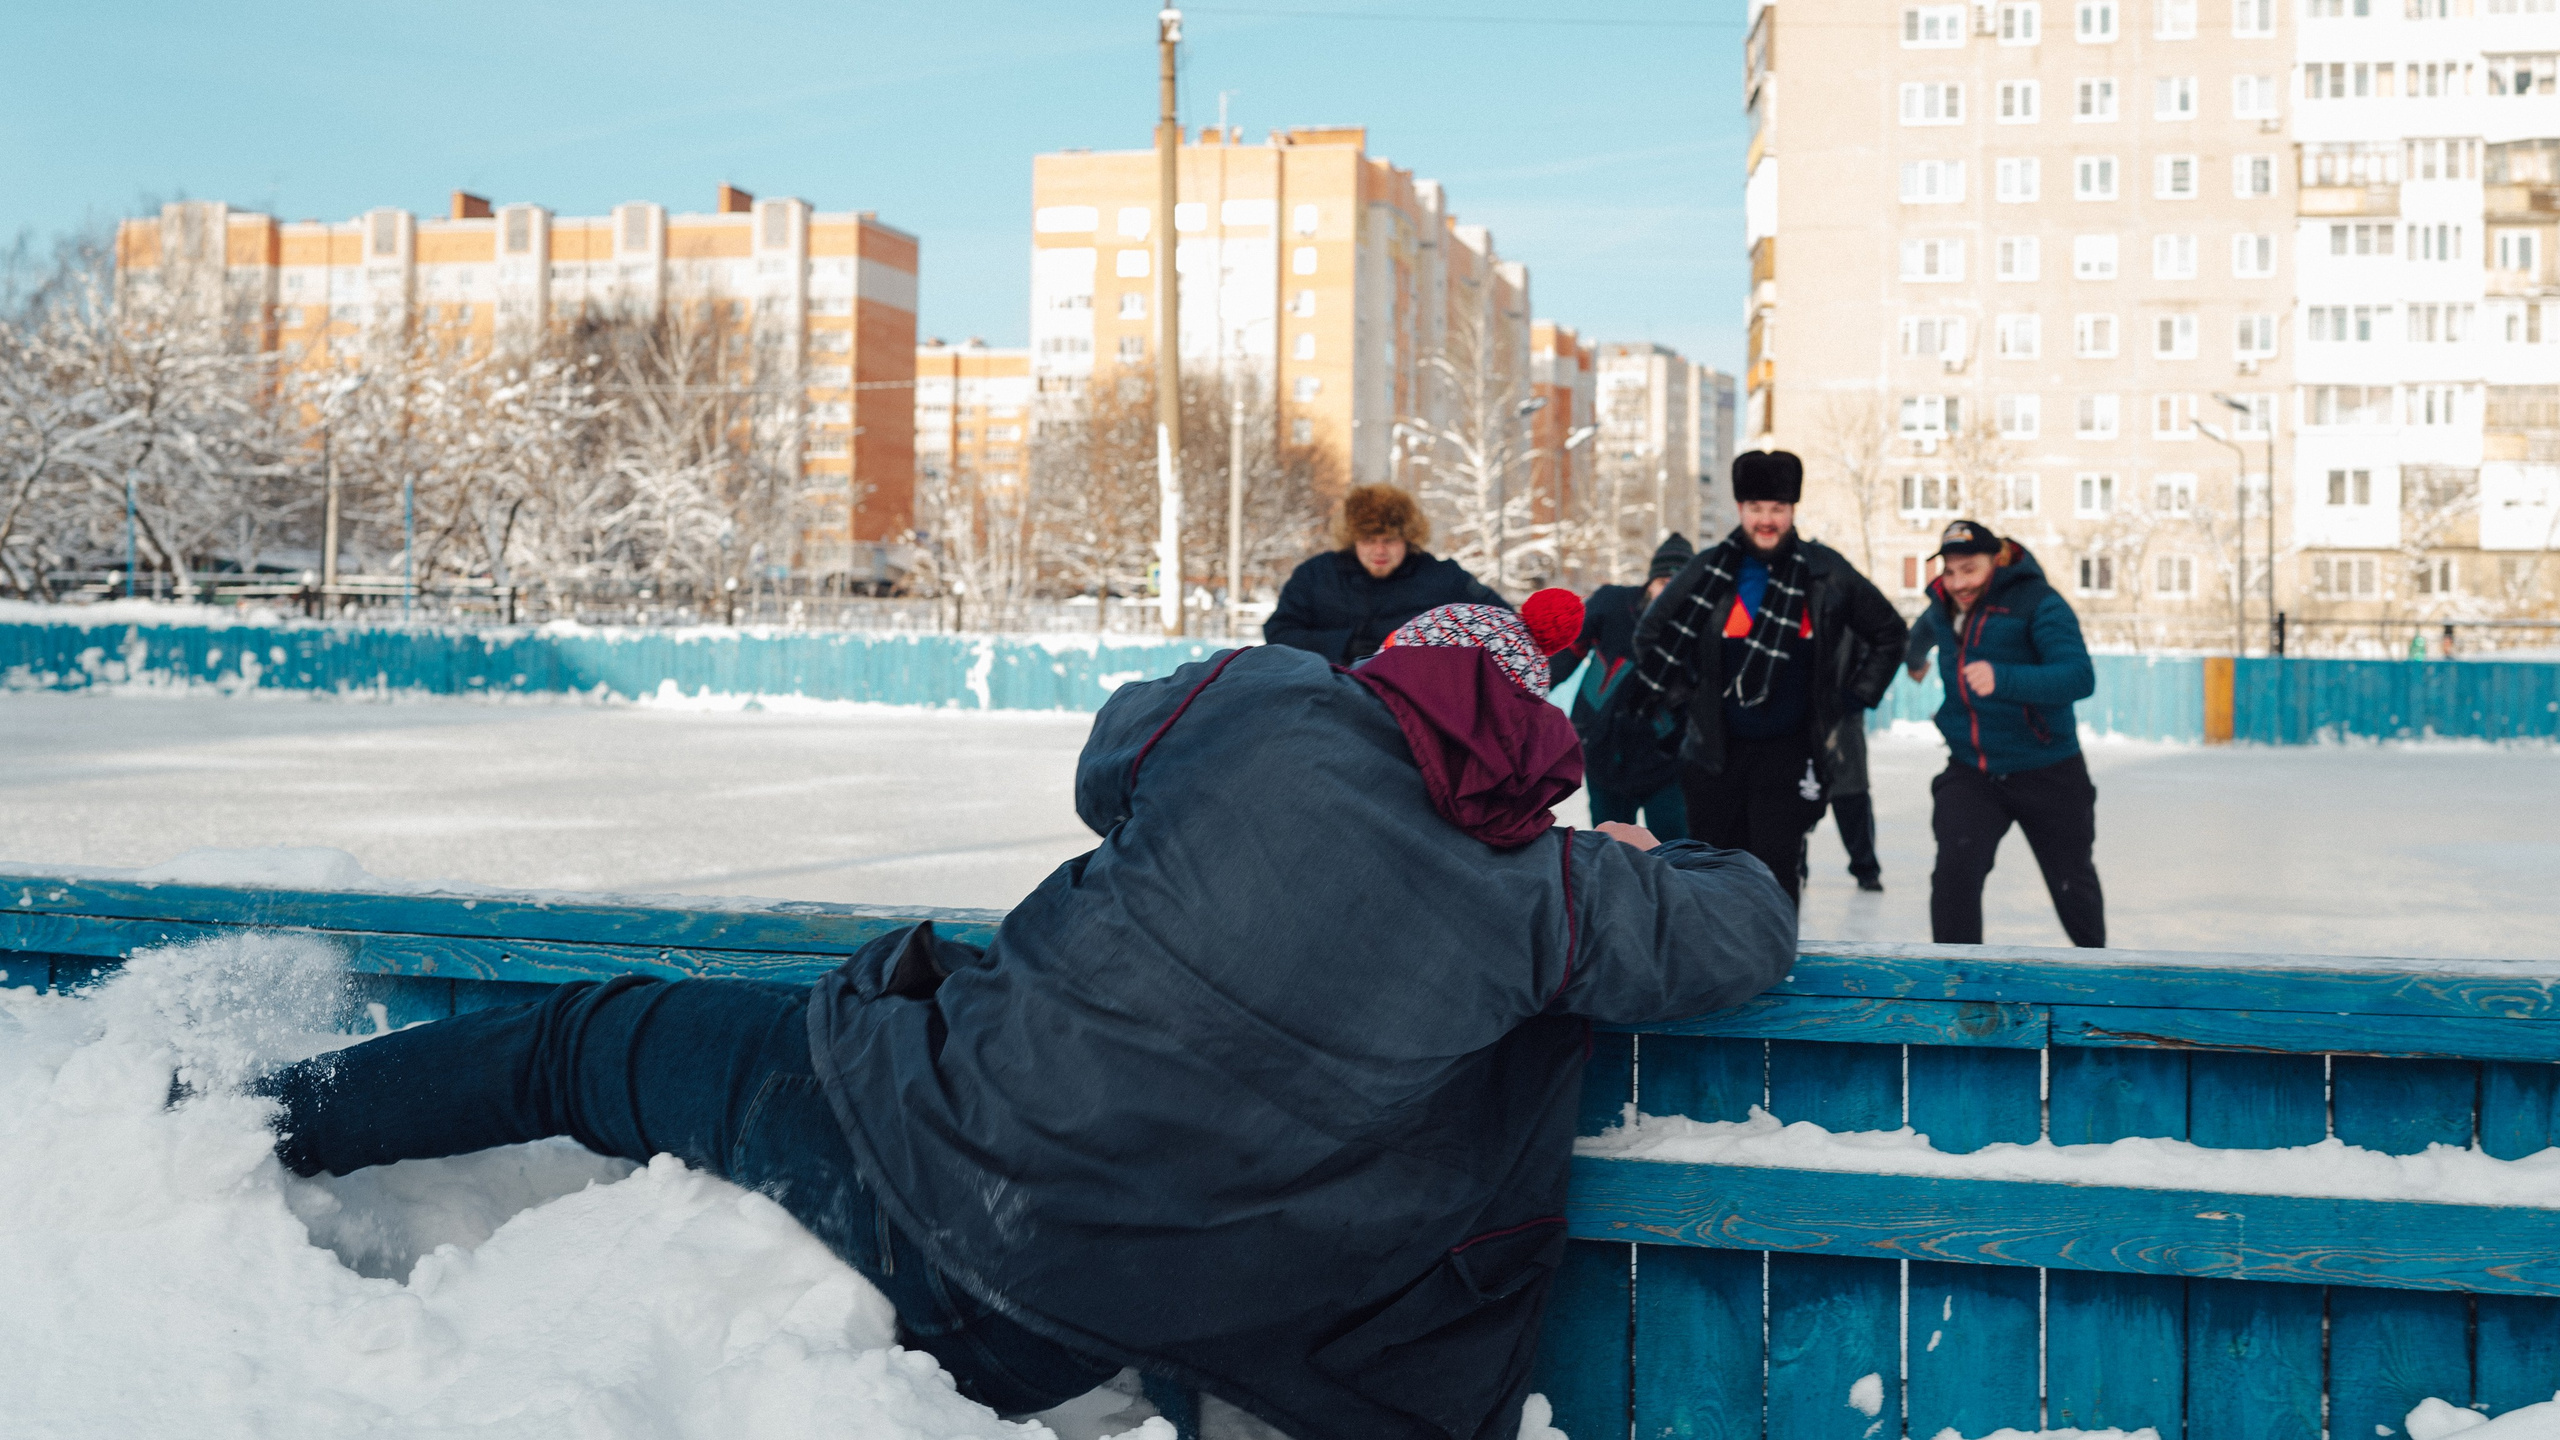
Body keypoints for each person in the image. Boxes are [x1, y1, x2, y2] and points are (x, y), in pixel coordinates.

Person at [248, 597, 1798, 1440]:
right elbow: (1753, 924)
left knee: (585, 1043)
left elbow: (1107, 763)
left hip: (921, 1149)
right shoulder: (1558, 895)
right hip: (1147, 1315)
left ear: (1383, 672)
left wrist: (1290, 688)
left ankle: (251, 1118)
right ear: (1537, 752)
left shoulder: (1269, 704)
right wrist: (1644, 852)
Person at [1626, 449, 1908, 907]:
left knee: (1775, 878)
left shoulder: (1825, 571)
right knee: (1712, 877)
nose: (1767, 520)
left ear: (1793, 510)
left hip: (1791, 754)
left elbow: (1890, 633)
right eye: (1756, 508)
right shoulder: (1711, 568)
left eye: (1777, 508)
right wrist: (1687, 700)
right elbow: (1650, 634)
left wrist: (1850, 700)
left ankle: (1774, 972)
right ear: (1740, 509)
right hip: (1715, 757)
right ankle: (1717, 975)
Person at [1903, 519, 2104, 947]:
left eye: (1969, 570)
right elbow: (1925, 627)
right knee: (1954, 874)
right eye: (1950, 571)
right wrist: (1914, 657)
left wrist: (2004, 679)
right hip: (1973, 770)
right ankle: (1958, 985)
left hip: (2047, 768)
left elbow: (2079, 677)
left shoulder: (2039, 603)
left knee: (2073, 884)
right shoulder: (1945, 602)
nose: (1958, 583)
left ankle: (2098, 985)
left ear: (1997, 560)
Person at [1549, 532, 1695, 840]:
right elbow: (1563, 655)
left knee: (1675, 854)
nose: (1669, 595)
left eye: (1679, 587)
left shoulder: (1697, 629)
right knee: (1609, 851)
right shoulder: (1613, 604)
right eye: (1663, 584)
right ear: (1650, 582)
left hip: (1666, 763)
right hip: (1604, 753)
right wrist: (1524, 691)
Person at [1263, 482, 1507, 663]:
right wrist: (1345, 645)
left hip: (1414, 701)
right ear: (1353, 539)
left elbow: (1504, 624)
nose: (1379, 550)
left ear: (1408, 539)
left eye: (1389, 540)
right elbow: (1279, 632)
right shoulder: (1315, 576)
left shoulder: (1445, 579)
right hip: (1329, 696)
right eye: (1369, 540)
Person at [1818, 641, 1886, 892]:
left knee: (1851, 794)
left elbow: (1887, 643)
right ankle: (1792, 866)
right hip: (1792, 712)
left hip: (1842, 714)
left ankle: (1865, 867)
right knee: (1790, 793)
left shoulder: (1849, 605)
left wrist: (1859, 694)